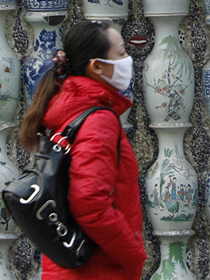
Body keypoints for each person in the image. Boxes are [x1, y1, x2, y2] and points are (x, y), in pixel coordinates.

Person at [19, 21, 146, 280]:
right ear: (96, 66)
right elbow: (89, 202)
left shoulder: (69, 111)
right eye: (121, 53)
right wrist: (133, 256)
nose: (128, 60)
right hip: (99, 270)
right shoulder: (98, 120)